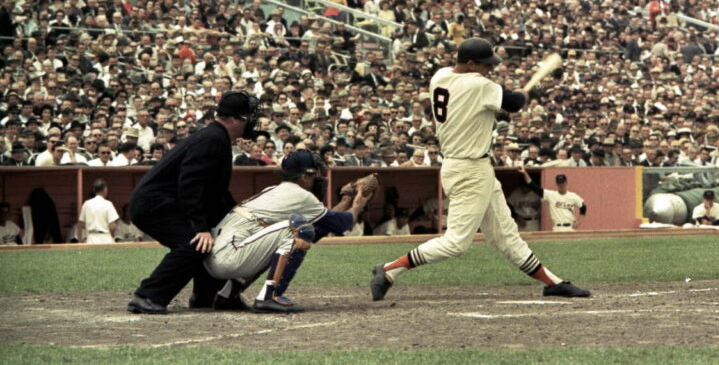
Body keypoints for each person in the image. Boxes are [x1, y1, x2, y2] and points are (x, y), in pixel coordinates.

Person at [370, 38, 590, 301]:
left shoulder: (441, 76)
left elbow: (473, 110)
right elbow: (514, 103)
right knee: (456, 243)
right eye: (485, 65)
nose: (490, 70)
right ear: (471, 63)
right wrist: (522, 94)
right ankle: (389, 269)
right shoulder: (478, 84)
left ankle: (553, 283)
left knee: (507, 236)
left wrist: (501, 105)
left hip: (468, 166)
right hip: (469, 169)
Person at [127, 91, 259, 314]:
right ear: (236, 119)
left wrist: (237, 212)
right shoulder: (213, 139)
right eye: (249, 117)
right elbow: (191, 185)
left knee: (209, 242)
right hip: (155, 205)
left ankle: (206, 296)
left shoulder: (217, 137)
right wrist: (200, 227)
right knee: (194, 244)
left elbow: (214, 190)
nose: (253, 123)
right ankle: (147, 296)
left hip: (162, 202)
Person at [203, 150, 377, 312]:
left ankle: (227, 296)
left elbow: (324, 223)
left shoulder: (275, 189)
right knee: (299, 229)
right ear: (303, 176)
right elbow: (340, 223)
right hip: (230, 255)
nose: (318, 178)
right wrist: (358, 203)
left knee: (288, 238)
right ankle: (270, 296)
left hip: (219, 254)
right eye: (314, 173)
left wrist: (346, 199)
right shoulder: (302, 195)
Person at [78, 179, 120, 243]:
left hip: (91, 238)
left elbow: (81, 223)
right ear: (105, 189)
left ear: (94, 190)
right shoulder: (108, 204)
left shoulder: (86, 204)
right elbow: (112, 226)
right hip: (105, 238)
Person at [507, 166, 542, 231]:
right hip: (520, 221)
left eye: (526, 187)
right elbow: (507, 206)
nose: (524, 189)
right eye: (522, 187)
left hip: (534, 221)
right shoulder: (516, 193)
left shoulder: (536, 193)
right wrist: (515, 217)